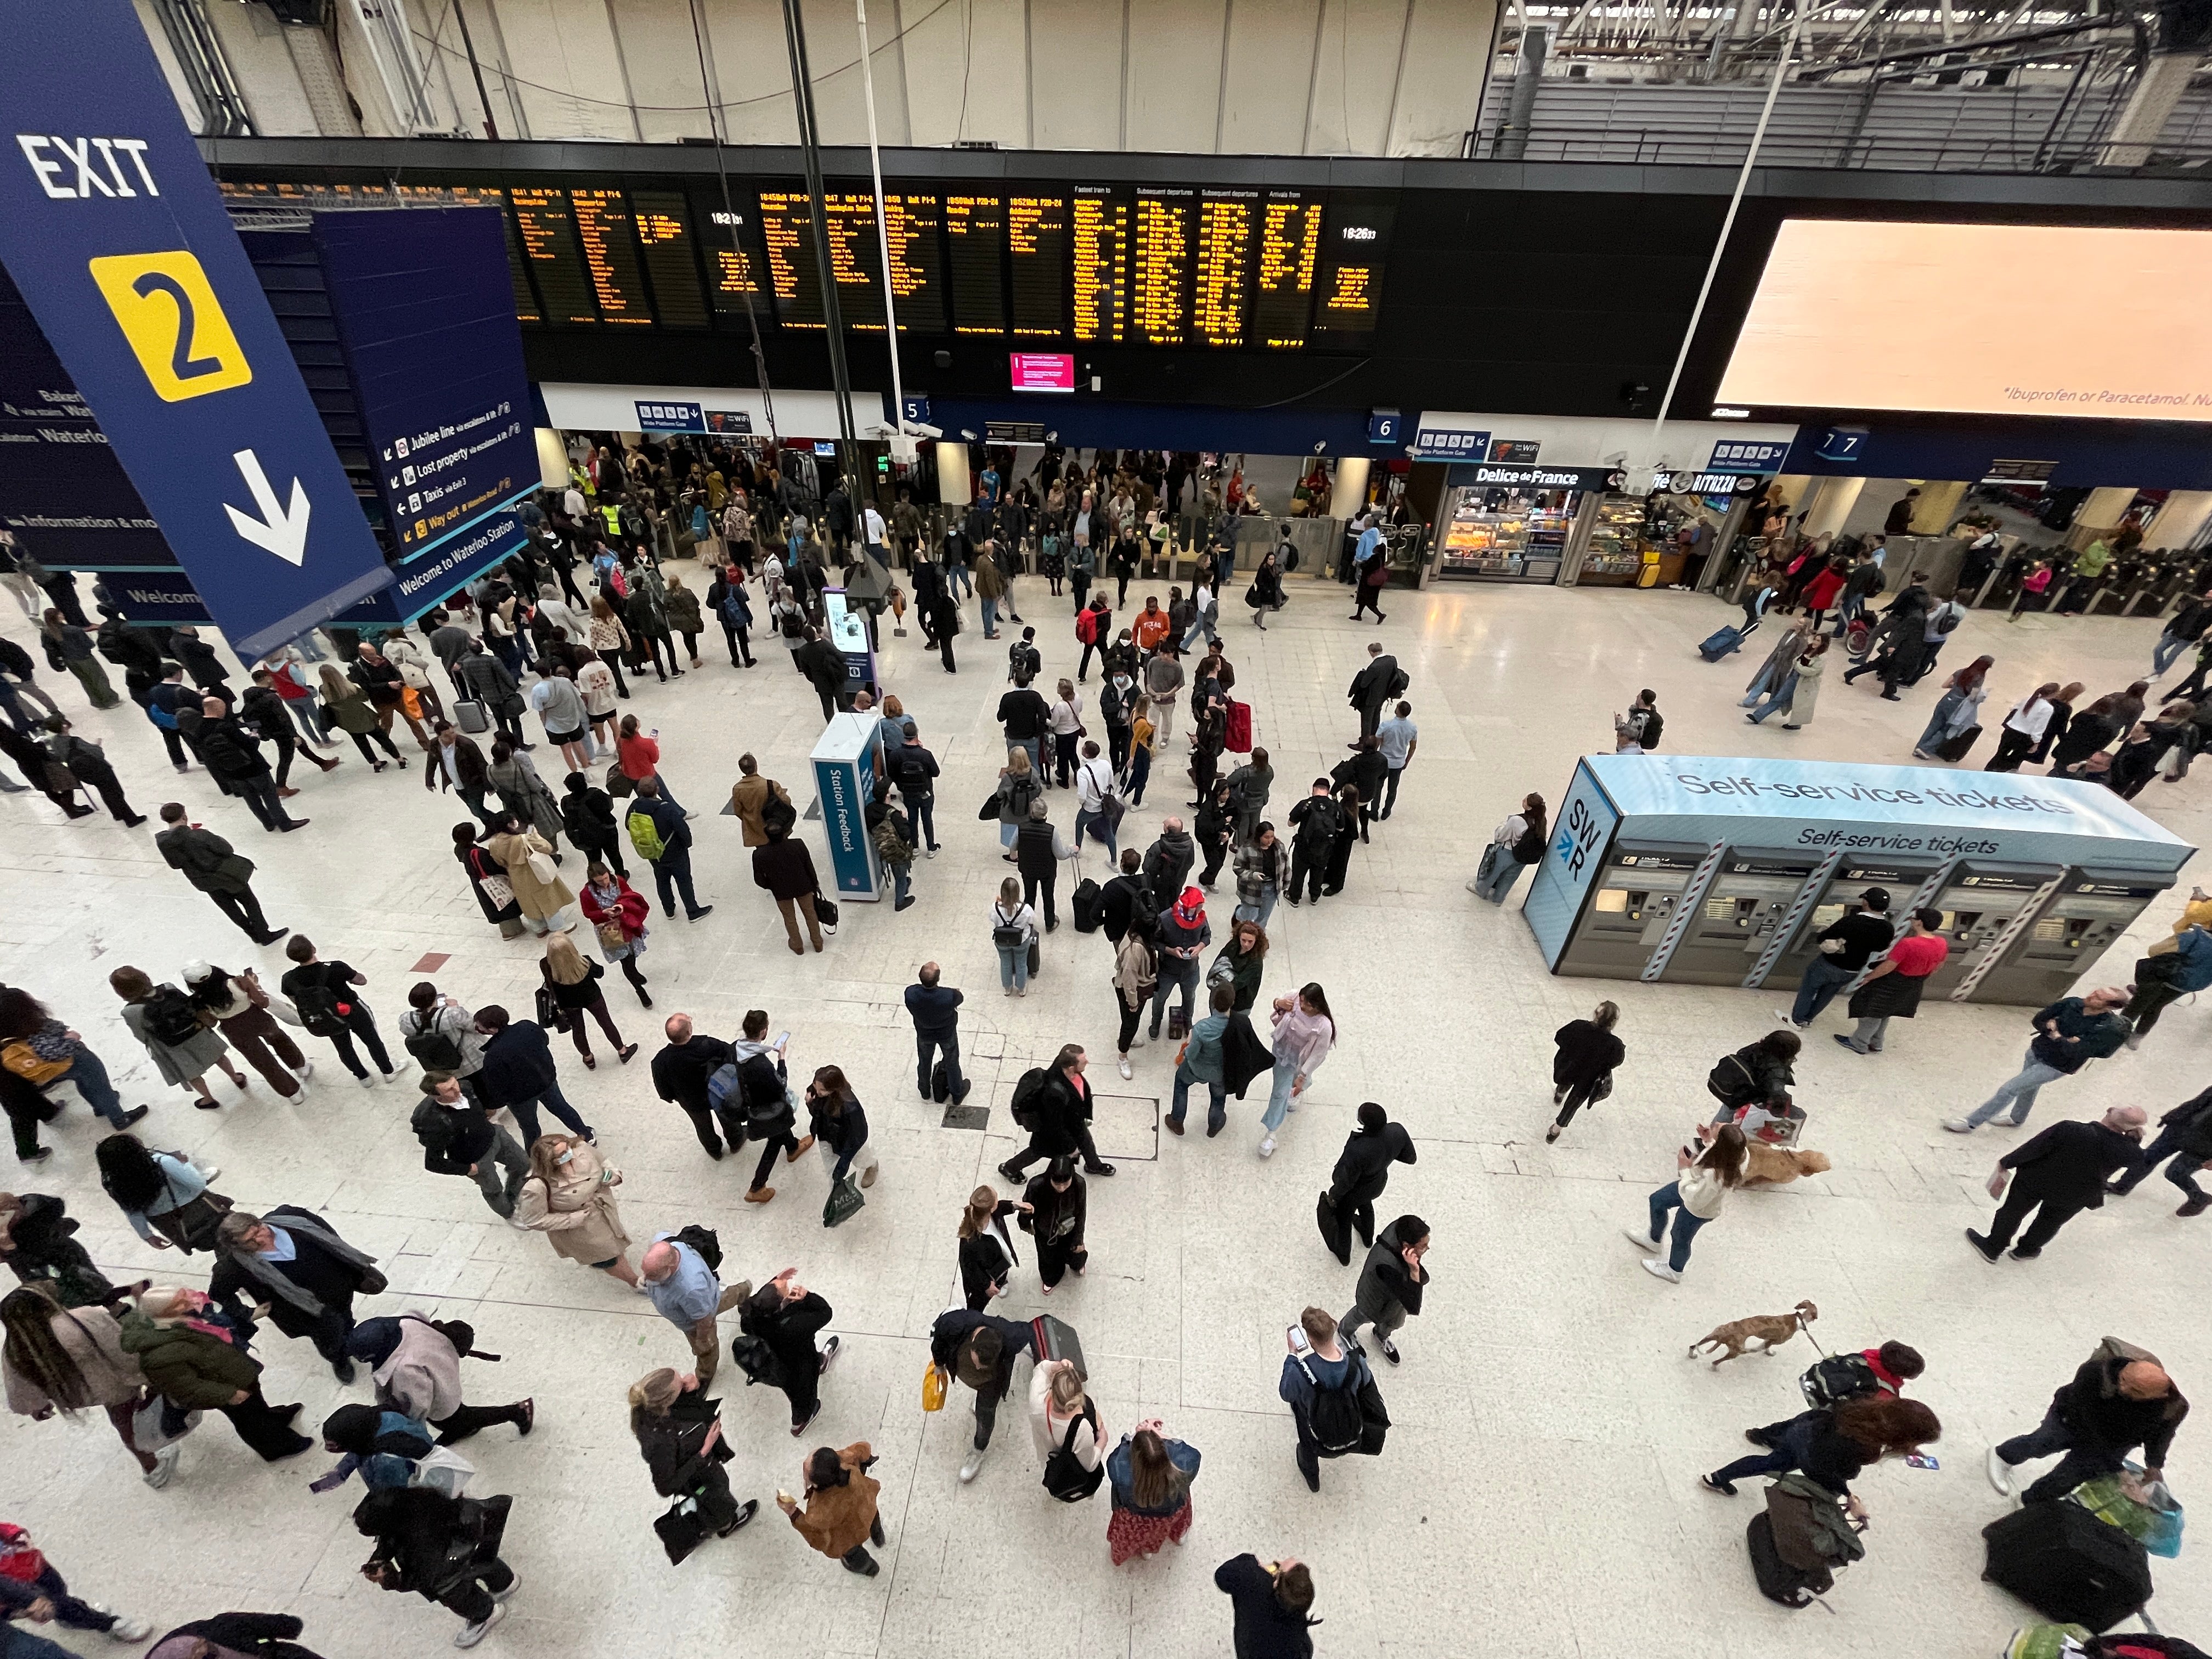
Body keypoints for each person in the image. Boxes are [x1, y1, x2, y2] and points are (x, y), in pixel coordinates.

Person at [116, 1284, 313, 1464]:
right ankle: (276, 1448)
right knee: (249, 1420)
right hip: (224, 1387)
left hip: (231, 1370)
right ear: (166, 1313)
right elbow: (189, 1389)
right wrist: (229, 1395)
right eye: (181, 1302)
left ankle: (272, 1419)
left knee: (256, 1405)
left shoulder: (177, 1320)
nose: (191, 1301)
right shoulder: (159, 1356)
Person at [1, 1281, 168, 1483]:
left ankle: (151, 1467)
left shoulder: (14, 1350)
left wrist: (37, 1407)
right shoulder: (82, 1318)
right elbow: (118, 1345)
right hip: (115, 1379)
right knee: (150, 1400)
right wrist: (142, 1369)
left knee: (124, 1423)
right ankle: (169, 1429)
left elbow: (20, 1388)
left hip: (81, 1393)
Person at [1988, 1340, 2188, 1504]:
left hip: (2114, 1442)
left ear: (2161, 1394)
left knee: (2071, 1476)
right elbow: (2091, 1426)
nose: (2123, 1388)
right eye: (2124, 1379)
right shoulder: (2095, 1373)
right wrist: (2118, 1470)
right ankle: (2002, 1456)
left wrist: (2154, 1464)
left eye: (2136, 1391)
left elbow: (2161, 1435)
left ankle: (2030, 1502)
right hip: (2072, 1419)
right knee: (2042, 1443)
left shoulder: (2174, 1407)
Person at [210, 1207, 381, 1381]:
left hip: (339, 1288)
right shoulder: (233, 1266)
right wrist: (248, 1313)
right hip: (306, 1312)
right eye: (250, 1240)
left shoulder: (291, 1217)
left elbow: (326, 1233)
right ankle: (339, 1360)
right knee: (329, 1338)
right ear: (237, 1247)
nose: (261, 1238)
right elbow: (219, 1293)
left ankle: (350, 1335)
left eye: (259, 1230)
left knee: (345, 1318)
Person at [1967, 1105, 2147, 1263]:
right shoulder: (2130, 1151)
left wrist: (2007, 1162)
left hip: (2035, 1179)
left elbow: (2034, 1148)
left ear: (2109, 1111)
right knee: (2050, 1222)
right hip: (2078, 1193)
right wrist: (2131, 1140)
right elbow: (2138, 1159)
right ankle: (2026, 1250)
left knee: (2013, 1212)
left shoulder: (2069, 1128)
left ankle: (1993, 1248)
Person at [1943, 987, 2132, 1132]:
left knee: (2009, 1089)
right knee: (2029, 1087)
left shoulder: (2105, 1028)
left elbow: (2077, 1051)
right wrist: (2060, 1036)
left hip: (2057, 1065)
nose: (2092, 997)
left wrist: (2056, 1033)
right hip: (2036, 1051)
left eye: (2099, 998)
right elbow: (2040, 1019)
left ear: (2110, 1007)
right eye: (2095, 993)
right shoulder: (2072, 1004)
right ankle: (2017, 1119)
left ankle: (1971, 1123)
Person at [353, 1485, 518, 1647]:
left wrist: (392, 1580)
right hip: (470, 1543)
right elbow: (390, 1539)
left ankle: (485, 1613)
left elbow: (424, 1578)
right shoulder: (415, 1502)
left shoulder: (418, 1545)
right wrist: (379, 1558)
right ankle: (505, 1582)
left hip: (447, 1567)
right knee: (483, 1562)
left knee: (452, 1592)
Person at [1701, 1395, 1941, 1505]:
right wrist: (1847, 1494)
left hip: (1803, 1429)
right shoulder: (1867, 1448)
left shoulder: (1865, 1405)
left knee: (1768, 1457)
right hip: (1809, 1453)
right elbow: (1833, 1471)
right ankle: (1720, 1478)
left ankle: (1723, 1472)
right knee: (1771, 1465)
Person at [350, 1312, 529, 1446]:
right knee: (456, 1414)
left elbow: (418, 1404)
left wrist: (414, 1432)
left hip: (438, 1387)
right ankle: (463, 1426)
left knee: (454, 1418)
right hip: (442, 1364)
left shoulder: (404, 1369)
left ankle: (518, 1411)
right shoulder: (406, 1322)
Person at [0, 988, 149, 1142]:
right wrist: (72, 1038)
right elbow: (53, 1052)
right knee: (101, 1087)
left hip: (60, 1069)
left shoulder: (14, 1034)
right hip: (78, 1060)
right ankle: (120, 1119)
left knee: (83, 1082)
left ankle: (99, 1108)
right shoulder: (34, 1030)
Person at [111, 966, 249, 1110]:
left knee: (191, 1073)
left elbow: (141, 1035)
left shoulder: (131, 1011)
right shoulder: (168, 987)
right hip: (197, 1030)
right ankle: (236, 1077)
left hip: (172, 1045)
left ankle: (208, 1099)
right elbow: (189, 1005)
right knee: (218, 1056)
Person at [1625, 1123, 1747, 1283]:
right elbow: (1720, 1155)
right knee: (1657, 1201)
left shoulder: (1715, 1176)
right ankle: (1653, 1240)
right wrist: (1709, 1141)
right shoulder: (1740, 1153)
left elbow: (1696, 1197)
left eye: (1719, 1129)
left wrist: (1684, 1169)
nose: (1717, 1125)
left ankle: (1674, 1270)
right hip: (1693, 1185)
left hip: (1697, 1209)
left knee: (1680, 1237)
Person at [514, 1131, 638, 1288]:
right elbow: (534, 1219)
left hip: (605, 1212)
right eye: (562, 1154)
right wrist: (573, 1220)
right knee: (609, 1259)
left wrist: (614, 1176)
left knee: (614, 1247)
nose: (569, 1154)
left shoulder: (581, 1148)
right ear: (549, 1162)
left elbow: (603, 1162)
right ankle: (635, 1281)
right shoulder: (537, 1186)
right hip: (582, 1229)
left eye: (567, 1148)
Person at [1277, 1304, 1378, 1494]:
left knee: (1299, 1409)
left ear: (1310, 1340)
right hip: (1353, 1430)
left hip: (1317, 1435)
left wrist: (1292, 1355)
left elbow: (1286, 1393)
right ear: (1333, 1328)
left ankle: (1312, 1475)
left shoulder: (1302, 1372)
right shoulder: (1357, 1362)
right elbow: (1365, 1385)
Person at [927, 1307, 1035, 1483]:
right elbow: (938, 1339)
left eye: (982, 1366)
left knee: (985, 1418)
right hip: (961, 1369)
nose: (978, 1368)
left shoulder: (1010, 1334)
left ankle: (978, 1451)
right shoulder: (954, 1323)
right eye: (977, 1362)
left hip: (991, 1385)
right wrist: (939, 1364)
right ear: (973, 1342)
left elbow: (1032, 1331)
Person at [279, 935, 402, 1090]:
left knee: (344, 1048)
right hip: (353, 1009)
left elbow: (294, 999)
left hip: (327, 1017)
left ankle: (363, 1077)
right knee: (372, 1040)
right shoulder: (336, 967)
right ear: (313, 949)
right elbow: (361, 981)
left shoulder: (288, 979)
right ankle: (388, 1071)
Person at [153, 804, 287, 944]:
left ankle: (253, 934)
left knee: (230, 909)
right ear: (184, 817)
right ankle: (264, 935)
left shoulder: (163, 841)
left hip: (202, 881)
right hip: (226, 876)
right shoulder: (199, 835)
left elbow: (175, 865)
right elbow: (226, 849)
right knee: (250, 903)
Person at [182, 961, 308, 1100]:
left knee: (262, 1061)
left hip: (234, 1031)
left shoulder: (197, 1002)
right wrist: (254, 984)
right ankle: (301, 1067)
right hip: (258, 1019)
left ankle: (292, 1093)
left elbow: (211, 1023)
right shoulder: (238, 982)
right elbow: (263, 1002)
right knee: (280, 1040)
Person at [410, 1073, 529, 1222]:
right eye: (449, 1090)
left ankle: (513, 1194)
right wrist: (467, 1169)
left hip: (494, 1136)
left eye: (455, 1084)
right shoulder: (435, 1123)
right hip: (475, 1159)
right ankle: (508, 1213)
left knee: (523, 1164)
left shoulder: (466, 1087)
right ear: (436, 1096)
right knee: (493, 1190)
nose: (457, 1091)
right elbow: (433, 1163)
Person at [639, 1231, 749, 1388]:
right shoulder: (664, 1244)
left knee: (707, 1351)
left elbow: (705, 1319)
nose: (647, 1278)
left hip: (697, 1318)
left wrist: (702, 1340)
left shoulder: (691, 1289)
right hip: (701, 1301)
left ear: (670, 1265)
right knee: (722, 1299)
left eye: (653, 1275)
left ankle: (705, 1376)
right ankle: (743, 1291)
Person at [740, 1269, 840, 1435]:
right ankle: (800, 1422)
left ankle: (819, 1361)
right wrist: (807, 1297)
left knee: (808, 1361)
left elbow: (761, 1299)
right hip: (796, 1368)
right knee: (803, 1395)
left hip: (778, 1359)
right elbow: (825, 1313)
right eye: (786, 1289)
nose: (788, 1286)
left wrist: (777, 1280)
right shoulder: (794, 1325)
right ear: (781, 1305)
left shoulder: (752, 1316)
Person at [1836, 908, 1948, 1056]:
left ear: (1919, 922)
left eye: (1914, 918)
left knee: (1870, 1011)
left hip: (1891, 982)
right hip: (1914, 984)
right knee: (1885, 1012)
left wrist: (1869, 978)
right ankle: (1876, 1043)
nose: (1912, 921)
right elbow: (1939, 965)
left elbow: (1888, 966)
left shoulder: (1908, 944)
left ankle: (1859, 1043)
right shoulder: (1942, 942)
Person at [1780, 888, 1893, 1033]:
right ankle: (1808, 1019)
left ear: (1866, 902)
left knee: (1809, 989)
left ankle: (1796, 1020)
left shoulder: (1852, 921)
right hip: (1853, 969)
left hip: (1830, 963)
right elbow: (1881, 947)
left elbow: (1823, 937)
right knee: (1828, 994)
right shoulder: (1888, 928)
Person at [1001, 1042, 1116, 1181]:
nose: (1087, 1061)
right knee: (1037, 1151)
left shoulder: (1067, 1070)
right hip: (1052, 1133)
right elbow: (1054, 1125)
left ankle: (1094, 1165)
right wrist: (1070, 1147)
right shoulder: (1054, 1092)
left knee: (1087, 1143)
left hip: (1075, 1123)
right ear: (1072, 1067)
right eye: (1083, 1059)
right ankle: (1010, 1168)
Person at [94, 1133, 226, 1253]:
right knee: (230, 1237)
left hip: (171, 1225)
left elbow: (132, 1211)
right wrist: (185, 1165)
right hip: (200, 1210)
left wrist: (147, 1235)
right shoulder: (162, 1162)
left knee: (213, 1243)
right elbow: (197, 1184)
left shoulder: (113, 1182)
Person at [1321, 1103, 1416, 1266]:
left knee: (1344, 1217)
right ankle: (1367, 1237)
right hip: (1377, 1184)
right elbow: (1410, 1158)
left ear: (1362, 1122)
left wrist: (1334, 1197)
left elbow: (1345, 1180)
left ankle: (1344, 1255)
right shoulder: (1397, 1131)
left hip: (1354, 1191)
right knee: (1366, 1205)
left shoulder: (1358, 1149)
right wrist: (1387, 1155)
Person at [1104, 1420, 1200, 1564]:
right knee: (1172, 1524)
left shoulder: (1119, 1468)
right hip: (1172, 1509)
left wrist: (1137, 1434)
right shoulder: (1185, 1464)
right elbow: (1190, 1451)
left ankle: (1146, 1551)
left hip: (1135, 1516)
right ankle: (1179, 1536)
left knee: (1137, 1534)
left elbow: (1119, 1453)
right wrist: (1159, 1435)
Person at [2107, 1085, 2212, 1215]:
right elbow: (2198, 1102)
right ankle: (2121, 1187)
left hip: (2204, 1149)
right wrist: (2173, 1116)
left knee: (2175, 1173)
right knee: (2146, 1159)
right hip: (2179, 1130)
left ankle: (2200, 1198)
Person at [1341, 1214, 1428, 1364]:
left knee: (1395, 1321)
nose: (1427, 1249)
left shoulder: (1401, 1228)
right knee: (1361, 1315)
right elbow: (1414, 1306)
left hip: (1394, 1299)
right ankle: (1345, 1332)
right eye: (1423, 1247)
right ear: (1407, 1246)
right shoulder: (1386, 1265)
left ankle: (1381, 1335)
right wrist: (1414, 1271)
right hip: (1373, 1296)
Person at [628, 777, 711, 924]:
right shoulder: (665, 808)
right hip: (675, 852)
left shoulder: (634, 807)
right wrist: (687, 844)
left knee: (662, 881)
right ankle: (692, 911)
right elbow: (682, 829)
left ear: (639, 792)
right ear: (657, 790)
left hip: (653, 854)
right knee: (684, 880)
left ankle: (669, 910)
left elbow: (629, 825)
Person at [483, 809, 574, 938]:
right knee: (547, 898)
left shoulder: (494, 844)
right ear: (511, 824)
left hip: (515, 875)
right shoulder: (522, 839)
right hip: (534, 872)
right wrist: (534, 835)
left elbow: (499, 861)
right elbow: (547, 848)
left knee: (527, 901)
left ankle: (539, 928)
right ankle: (557, 926)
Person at [38, 715, 143, 826]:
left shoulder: (54, 742)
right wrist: (97, 745)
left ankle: (117, 814)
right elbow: (98, 754)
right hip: (99, 769)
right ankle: (130, 819)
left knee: (104, 791)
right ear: (64, 727)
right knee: (115, 792)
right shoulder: (75, 741)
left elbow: (61, 757)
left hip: (81, 772)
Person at [1216, 1553, 1318, 1658]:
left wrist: (1252, 1562)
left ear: (1276, 1583)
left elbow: (1222, 1576)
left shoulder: (1253, 1581)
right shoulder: (1296, 1619)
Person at [1548, 1002, 1624, 1142]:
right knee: (1573, 1105)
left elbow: (1559, 1037)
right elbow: (1617, 1061)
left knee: (1565, 1081)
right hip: (1589, 1080)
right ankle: (1555, 1131)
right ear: (1614, 1023)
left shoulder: (1578, 1027)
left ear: (1595, 1014)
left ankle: (1559, 1094)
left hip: (1569, 1067)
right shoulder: (1615, 1045)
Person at [579, 863, 653, 1005]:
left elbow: (629, 896)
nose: (604, 883)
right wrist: (603, 913)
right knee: (626, 960)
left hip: (627, 924)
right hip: (611, 931)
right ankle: (639, 990)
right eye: (600, 881)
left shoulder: (618, 881)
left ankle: (635, 974)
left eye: (606, 878)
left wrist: (621, 906)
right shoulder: (587, 894)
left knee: (632, 953)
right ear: (592, 879)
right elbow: (588, 913)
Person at [752, 816, 825, 955]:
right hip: (804, 886)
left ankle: (797, 945)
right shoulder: (798, 845)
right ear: (784, 832)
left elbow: (759, 880)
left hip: (781, 891)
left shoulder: (760, 854)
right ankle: (817, 942)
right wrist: (814, 883)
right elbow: (809, 866)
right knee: (810, 913)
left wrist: (771, 886)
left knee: (789, 917)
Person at [1150, 886, 1212, 1042]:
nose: (1199, 911)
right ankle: (1155, 1023)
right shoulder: (1164, 918)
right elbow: (1153, 941)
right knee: (1159, 998)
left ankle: (1187, 1021)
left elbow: (1207, 935)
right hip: (1167, 970)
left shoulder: (1201, 918)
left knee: (1190, 998)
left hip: (1191, 970)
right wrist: (1170, 950)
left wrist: (1200, 947)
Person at [904, 962, 969, 1104]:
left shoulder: (911, 993)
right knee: (952, 1061)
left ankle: (925, 1090)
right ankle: (957, 1093)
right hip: (946, 1033)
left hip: (924, 1033)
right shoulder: (948, 995)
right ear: (938, 979)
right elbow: (960, 998)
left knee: (924, 1061)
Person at [1470, 792, 1547, 905]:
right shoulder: (1541, 822)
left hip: (1508, 852)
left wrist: (1502, 826)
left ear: (1529, 807)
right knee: (1510, 877)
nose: (1523, 800)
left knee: (1494, 872)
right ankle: (1498, 899)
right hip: (1524, 857)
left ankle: (1481, 889)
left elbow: (1501, 836)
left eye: (1525, 800)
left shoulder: (1517, 820)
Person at [1910, 656, 1994, 759]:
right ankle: (1925, 749)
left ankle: (1919, 747)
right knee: (1947, 729)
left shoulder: (1962, 671)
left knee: (1934, 725)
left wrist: (1955, 688)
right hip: (1957, 705)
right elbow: (1973, 697)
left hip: (1947, 699)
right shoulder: (1979, 678)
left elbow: (1945, 685)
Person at [1987, 681, 2061, 772]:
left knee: (2000, 754)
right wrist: (2037, 742)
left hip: (2010, 731)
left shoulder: (2029, 698)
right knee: (2015, 760)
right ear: (2053, 694)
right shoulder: (2048, 708)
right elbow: (2039, 727)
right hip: (2024, 738)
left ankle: (1989, 770)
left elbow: (2015, 708)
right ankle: (2003, 773)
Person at [729, 753, 793, 849]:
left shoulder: (738, 789)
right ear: (756, 766)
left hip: (756, 831)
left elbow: (738, 811)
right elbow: (787, 801)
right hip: (777, 828)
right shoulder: (771, 785)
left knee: (763, 855)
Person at [1345, 642, 1400, 743]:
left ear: (1372, 652)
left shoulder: (1374, 667)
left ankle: (1364, 743)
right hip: (1383, 695)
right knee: (1376, 716)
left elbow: (1364, 684)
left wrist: (1364, 674)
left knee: (1367, 719)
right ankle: (1374, 737)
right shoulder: (1392, 660)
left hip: (1371, 697)